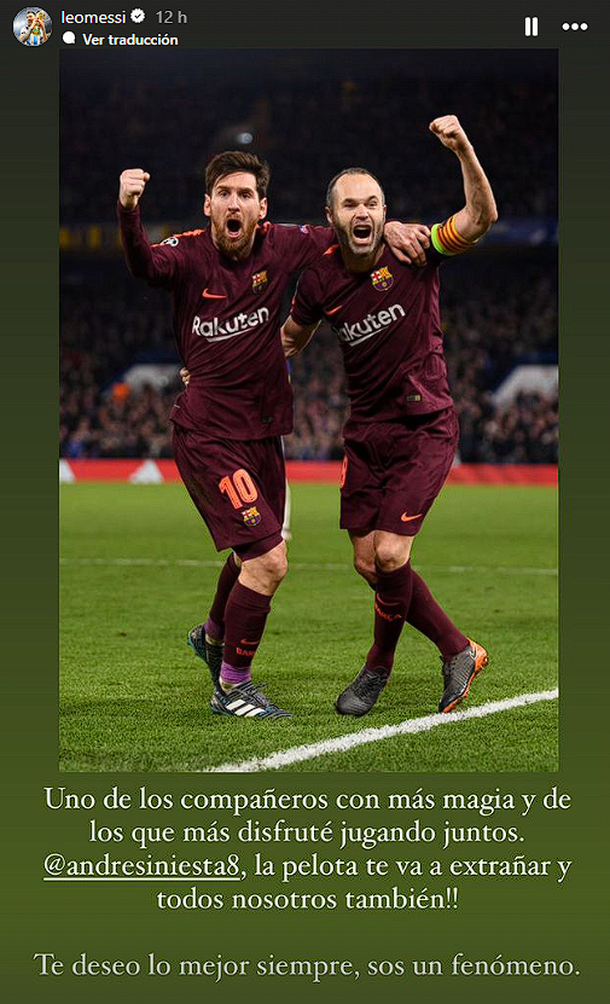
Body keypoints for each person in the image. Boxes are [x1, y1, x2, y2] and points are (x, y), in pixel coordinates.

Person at [118, 150, 429, 720]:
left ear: (262, 208)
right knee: (268, 561)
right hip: (209, 435)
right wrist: (128, 210)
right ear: (208, 205)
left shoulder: (283, 246)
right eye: (224, 194)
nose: (234, 203)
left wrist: (391, 226)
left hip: (265, 433)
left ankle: (212, 635)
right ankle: (232, 686)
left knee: (252, 552)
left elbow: (349, 231)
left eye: (245, 195)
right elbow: (143, 266)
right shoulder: (187, 253)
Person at [281, 115, 498, 717]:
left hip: (425, 426)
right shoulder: (319, 278)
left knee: (392, 555)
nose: (363, 212)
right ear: (332, 217)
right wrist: (223, 364)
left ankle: (384, 665)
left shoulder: (415, 249)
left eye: (373, 203)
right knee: (366, 560)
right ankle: (455, 649)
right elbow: (291, 338)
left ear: (385, 212)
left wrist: (463, 148)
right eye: (351, 204)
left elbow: (480, 219)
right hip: (365, 433)